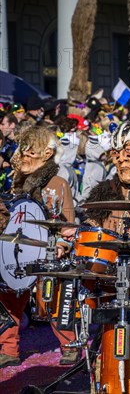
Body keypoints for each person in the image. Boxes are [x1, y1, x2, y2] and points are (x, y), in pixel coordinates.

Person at [0, 125, 78, 367]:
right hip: (19, 250)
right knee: (9, 295)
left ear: (45, 154)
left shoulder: (58, 182)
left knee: (53, 299)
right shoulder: (17, 183)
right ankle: (8, 349)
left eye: (29, 152)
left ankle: (70, 345)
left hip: (48, 252)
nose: (23, 157)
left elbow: (67, 223)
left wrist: (63, 245)